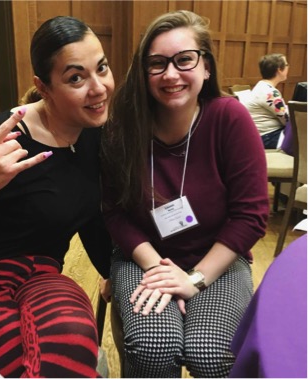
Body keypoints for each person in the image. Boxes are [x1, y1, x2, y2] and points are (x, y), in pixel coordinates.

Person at [0, 16, 114, 378]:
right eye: (76, 77)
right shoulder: (3, 137)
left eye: (102, 68)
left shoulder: (96, 134)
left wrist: (114, 273)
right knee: (4, 365)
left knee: (71, 345)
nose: (98, 88)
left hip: (41, 275)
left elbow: (91, 217)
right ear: (43, 87)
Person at [101, 10, 269, 378]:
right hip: (143, 257)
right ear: (144, 74)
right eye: (157, 64)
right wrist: (160, 270)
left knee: (212, 352)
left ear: (206, 66)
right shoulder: (122, 128)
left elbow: (251, 215)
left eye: (184, 60)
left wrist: (192, 279)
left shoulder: (230, 118)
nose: (171, 74)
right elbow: (114, 212)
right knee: (152, 345)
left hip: (218, 258)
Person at [244, 53, 290, 149]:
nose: (288, 67)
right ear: (279, 70)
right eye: (286, 65)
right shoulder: (270, 92)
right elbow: (287, 120)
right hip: (267, 137)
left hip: (261, 136)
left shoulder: (262, 86)